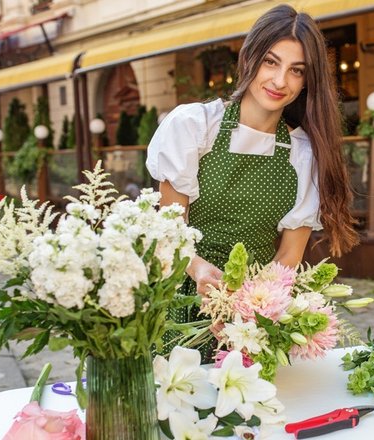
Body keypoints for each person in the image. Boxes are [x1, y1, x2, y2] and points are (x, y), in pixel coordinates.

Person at [146, 4, 358, 360]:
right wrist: (198, 271)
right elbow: (170, 231)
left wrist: (249, 311)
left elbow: (289, 255)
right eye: (271, 62)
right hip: (180, 300)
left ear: (307, 80)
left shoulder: (302, 153)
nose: (279, 81)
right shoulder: (196, 126)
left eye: (296, 71)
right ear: (249, 58)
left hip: (252, 316)